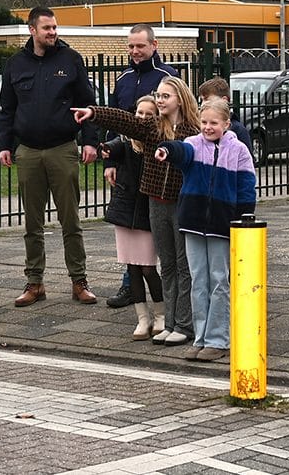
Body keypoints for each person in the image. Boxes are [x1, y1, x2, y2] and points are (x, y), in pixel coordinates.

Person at [73, 76, 200, 346]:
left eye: (166, 96)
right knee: (166, 265)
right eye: (159, 95)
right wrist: (94, 113)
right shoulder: (153, 127)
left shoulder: (192, 131)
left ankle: (185, 324)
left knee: (182, 264)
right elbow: (125, 120)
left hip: (181, 203)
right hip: (156, 202)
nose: (160, 100)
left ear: (180, 99)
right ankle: (171, 322)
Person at [0, 6, 100, 308]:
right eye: (47, 28)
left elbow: (88, 103)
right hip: (27, 151)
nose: (53, 33)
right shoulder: (15, 64)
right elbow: (6, 110)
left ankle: (79, 281)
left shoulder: (71, 60)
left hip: (62, 148)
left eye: (55, 28)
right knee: (32, 223)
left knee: (71, 220)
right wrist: (4, 145)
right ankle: (34, 282)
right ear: (32, 30)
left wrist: (90, 142)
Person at [154, 98, 256, 361]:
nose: (208, 127)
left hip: (223, 225)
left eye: (213, 123)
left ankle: (218, 339)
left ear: (226, 123)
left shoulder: (239, 150)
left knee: (219, 280)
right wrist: (166, 149)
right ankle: (200, 337)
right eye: (204, 122)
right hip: (193, 223)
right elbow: (180, 151)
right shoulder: (193, 145)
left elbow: (246, 188)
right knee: (199, 280)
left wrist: (243, 221)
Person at [105, 24, 177, 310]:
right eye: (131, 47)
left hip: (158, 164)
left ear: (154, 45)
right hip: (128, 163)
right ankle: (130, 285)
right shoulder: (122, 79)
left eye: (140, 46)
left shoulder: (167, 77)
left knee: (154, 230)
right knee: (129, 224)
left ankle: (163, 289)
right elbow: (115, 121)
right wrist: (111, 160)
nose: (135, 52)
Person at [98, 95, 165, 340]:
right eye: (139, 113)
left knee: (148, 268)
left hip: (147, 212)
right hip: (126, 212)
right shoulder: (125, 142)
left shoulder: (156, 142)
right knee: (133, 268)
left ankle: (161, 314)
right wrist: (106, 152)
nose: (143, 118)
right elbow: (112, 145)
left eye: (149, 114)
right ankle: (142, 318)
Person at [197, 76, 251, 148]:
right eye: (202, 100)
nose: (203, 104)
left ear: (224, 100)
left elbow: (246, 157)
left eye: (207, 99)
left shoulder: (238, 130)